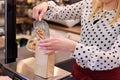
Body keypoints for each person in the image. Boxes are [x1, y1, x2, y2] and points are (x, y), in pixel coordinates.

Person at [33, 0, 120, 80]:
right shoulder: (89, 4)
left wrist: (74, 47)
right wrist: (47, 5)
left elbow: (113, 59)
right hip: (79, 73)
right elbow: (60, 12)